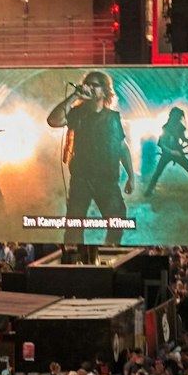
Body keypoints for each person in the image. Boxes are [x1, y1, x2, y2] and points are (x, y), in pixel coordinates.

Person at [46, 70, 132, 247]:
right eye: (89, 84)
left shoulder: (112, 117)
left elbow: (122, 147)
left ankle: (109, 250)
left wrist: (131, 176)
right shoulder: (78, 112)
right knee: (74, 227)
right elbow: (53, 121)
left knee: (117, 222)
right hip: (82, 179)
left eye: (96, 85)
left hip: (107, 180)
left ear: (104, 90)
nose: (91, 88)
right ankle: (75, 260)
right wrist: (74, 96)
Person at [143, 107, 188, 202]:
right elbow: (161, 143)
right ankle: (149, 191)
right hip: (167, 154)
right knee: (157, 173)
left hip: (177, 153)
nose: (180, 119)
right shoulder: (166, 127)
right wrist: (172, 151)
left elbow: (183, 139)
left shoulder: (179, 127)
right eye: (178, 117)